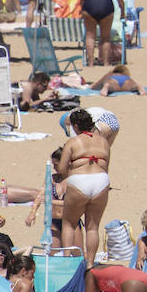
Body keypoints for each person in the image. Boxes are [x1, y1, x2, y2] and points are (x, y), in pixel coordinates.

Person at [57, 108, 111, 261]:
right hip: (101, 180)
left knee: (69, 223)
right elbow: (106, 167)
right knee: (92, 228)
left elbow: (61, 169)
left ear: (75, 126)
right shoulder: (104, 142)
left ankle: (67, 259)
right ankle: (90, 264)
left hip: (80, 181)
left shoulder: (73, 142)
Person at [81, 0, 125, 66]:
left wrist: (82, 10)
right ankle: (105, 63)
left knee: (90, 36)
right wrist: (122, 13)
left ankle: (91, 63)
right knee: (105, 38)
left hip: (89, 8)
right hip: (106, 9)